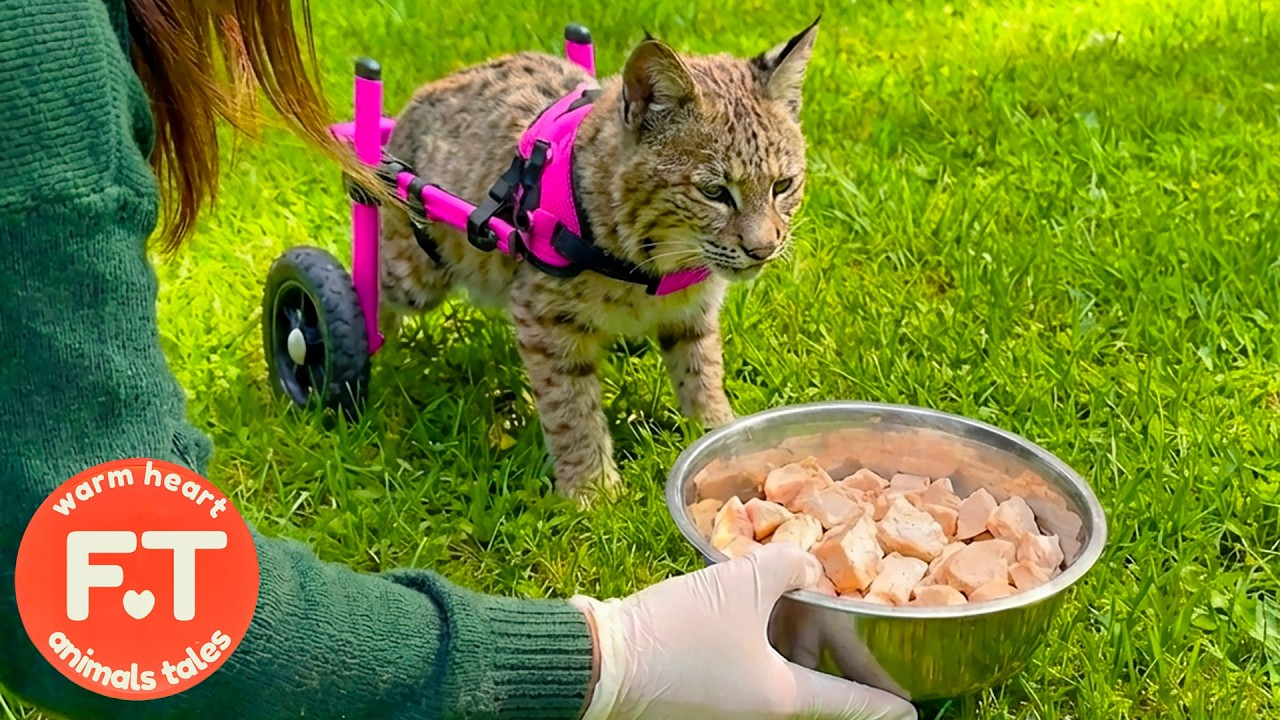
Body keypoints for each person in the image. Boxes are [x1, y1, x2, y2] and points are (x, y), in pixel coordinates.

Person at [0, 2, 918, 719]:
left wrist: (710, 421)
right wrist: (601, 562)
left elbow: (694, 321)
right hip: (450, 162)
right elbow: (544, 322)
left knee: (685, 316)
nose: (762, 237)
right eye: (722, 197)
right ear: (642, 115)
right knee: (414, 285)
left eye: (780, 191)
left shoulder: (720, 197)